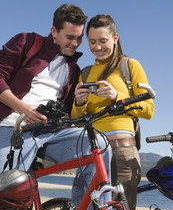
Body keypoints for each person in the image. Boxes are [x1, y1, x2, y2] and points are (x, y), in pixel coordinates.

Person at [0, 4, 111, 209]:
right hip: (12, 128)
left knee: (100, 144)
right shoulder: (27, 42)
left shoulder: (73, 69)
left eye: (79, 38)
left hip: (51, 133)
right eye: (69, 37)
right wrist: (22, 107)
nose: (75, 43)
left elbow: (68, 108)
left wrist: (76, 106)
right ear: (54, 32)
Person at [71, 14, 155, 210]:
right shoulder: (84, 73)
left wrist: (117, 95)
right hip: (90, 151)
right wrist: (79, 102)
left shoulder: (129, 65)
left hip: (122, 153)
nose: (97, 47)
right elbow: (76, 121)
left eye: (103, 41)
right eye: (92, 42)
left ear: (115, 38)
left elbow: (149, 110)